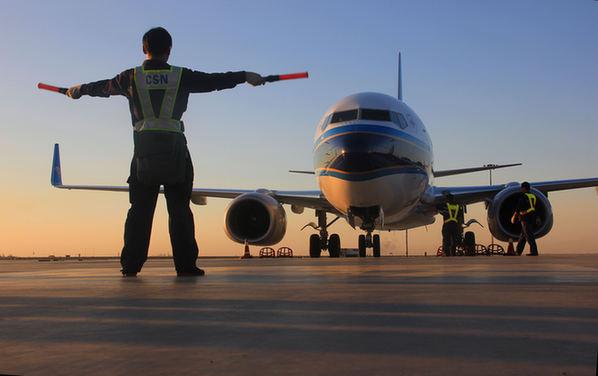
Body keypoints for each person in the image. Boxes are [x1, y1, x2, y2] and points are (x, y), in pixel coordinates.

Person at [65, 27, 266, 277]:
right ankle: (185, 266)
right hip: (175, 152)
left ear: (143, 49)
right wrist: (245, 75)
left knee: (139, 211)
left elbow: (102, 87)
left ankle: (131, 265)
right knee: (180, 210)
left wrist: (78, 89)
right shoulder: (180, 76)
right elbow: (214, 81)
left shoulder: (130, 77)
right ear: (169, 50)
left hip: (143, 152)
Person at [514, 181, 539, 256]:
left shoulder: (523, 196)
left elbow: (519, 207)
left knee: (529, 235)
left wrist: (515, 215)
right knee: (523, 235)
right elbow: (535, 207)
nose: (521, 189)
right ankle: (518, 251)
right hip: (531, 217)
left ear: (524, 188)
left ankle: (534, 251)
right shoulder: (533, 196)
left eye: (521, 188)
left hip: (525, 218)